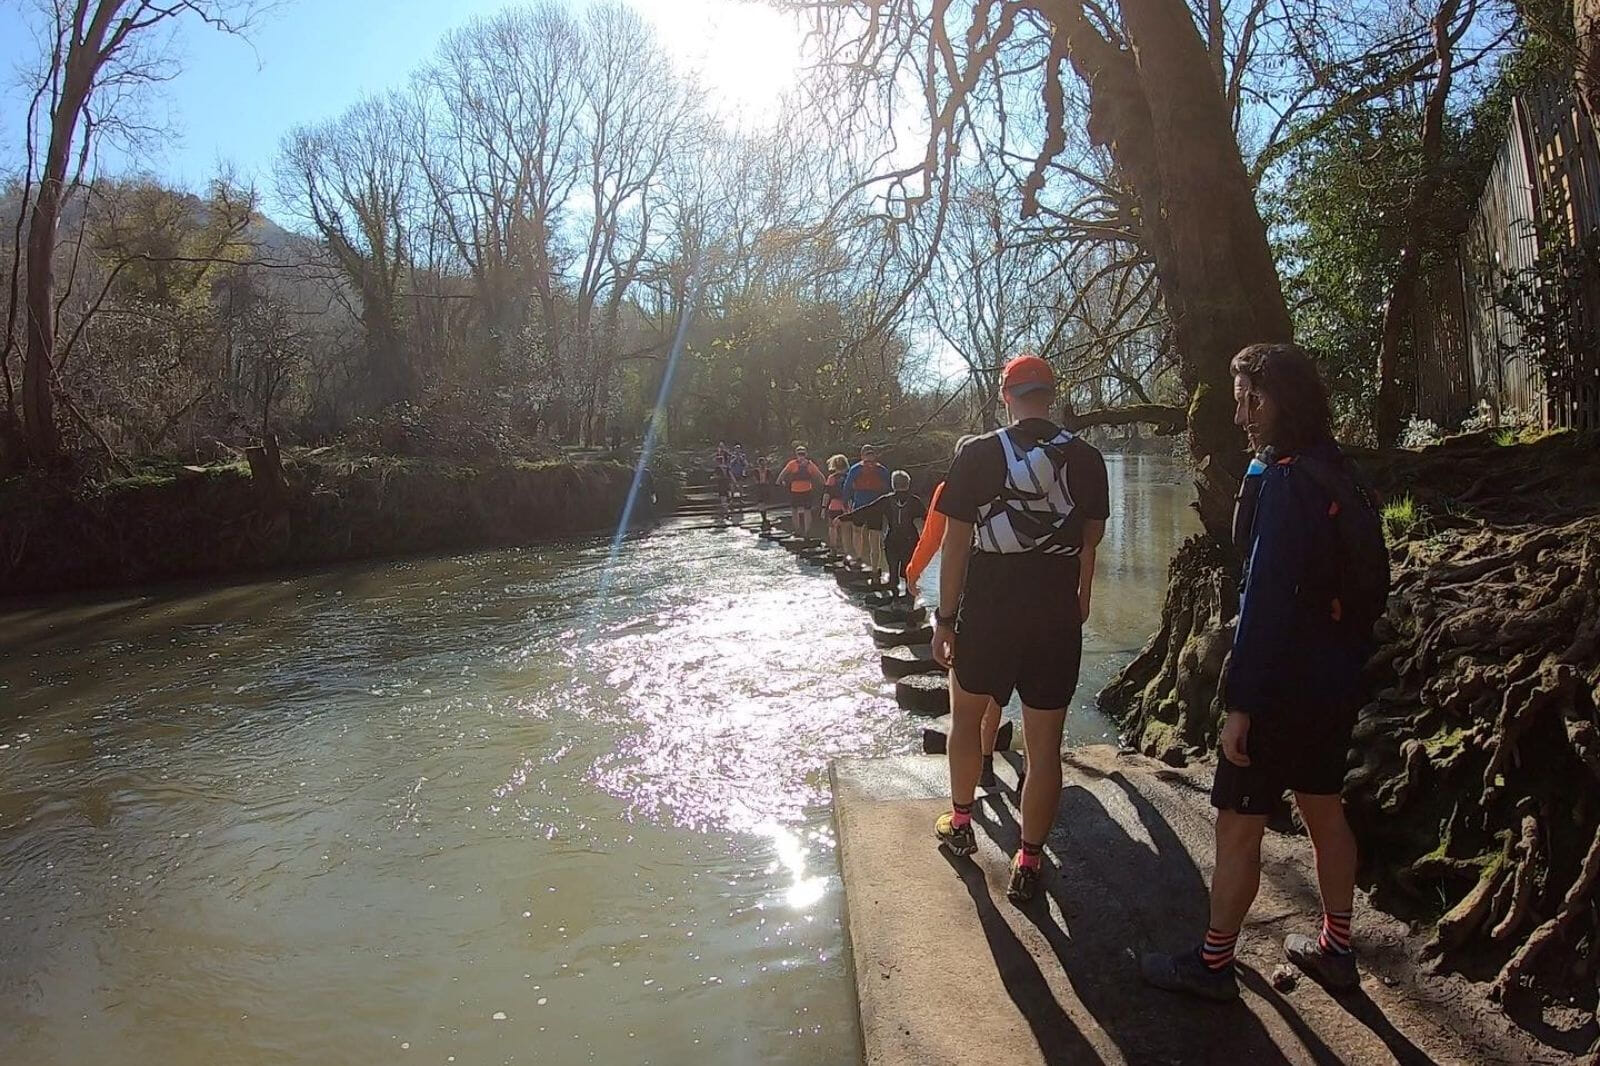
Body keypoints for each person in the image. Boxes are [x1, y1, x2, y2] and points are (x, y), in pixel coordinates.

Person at [1140, 342, 1384, 1001]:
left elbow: (1265, 599)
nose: (1240, 414)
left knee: (1237, 823)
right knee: (1324, 809)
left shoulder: (1284, 483)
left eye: (1250, 399)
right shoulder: (1335, 469)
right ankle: (1337, 948)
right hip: (1333, 678)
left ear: (1278, 401)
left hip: (1279, 685)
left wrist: (1240, 703)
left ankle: (1214, 963)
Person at [930, 353, 1108, 904]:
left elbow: (955, 545)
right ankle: (1029, 859)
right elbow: (1090, 540)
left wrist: (945, 618)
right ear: (1050, 397)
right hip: (1054, 611)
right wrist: (1081, 596)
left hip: (989, 607)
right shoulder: (1087, 457)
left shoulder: (978, 453)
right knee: (1044, 745)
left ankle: (962, 825)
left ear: (1006, 396)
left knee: (965, 721)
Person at [906, 436, 1006, 790]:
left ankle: (969, 776)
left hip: (966, 594)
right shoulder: (1012, 482)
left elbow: (932, 536)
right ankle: (987, 758)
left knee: (965, 685)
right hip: (1007, 592)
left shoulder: (950, 488)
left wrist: (912, 572)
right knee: (998, 683)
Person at [841, 469, 926, 598]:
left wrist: (843, 518)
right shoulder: (915, 501)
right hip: (910, 540)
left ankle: (893, 592)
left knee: (893, 568)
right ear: (908, 484)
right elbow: (927, 517)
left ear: (893, 485)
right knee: (908, 569)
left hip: (892, 540)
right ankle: (909, 596)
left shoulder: (886, 500)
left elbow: (867, 510)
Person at [841, 444, 891, 572]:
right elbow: (889, 488)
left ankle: (859, 557)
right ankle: (875, 568)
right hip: (877, 506)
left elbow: (847, 486)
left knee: (857, 531)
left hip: (860, 504)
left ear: (862, 455)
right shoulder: (882, 470)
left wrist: (846, 502)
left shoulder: (856, 469)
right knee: (875, 535)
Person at [778, 445, 826, 540]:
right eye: (800, 454)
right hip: (800, 490)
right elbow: (820, 477)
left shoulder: (800, 464)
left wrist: (781, 482)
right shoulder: (806, 464)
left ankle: (802, 530)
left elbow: (782, 475)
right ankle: (802, 530)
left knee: (801, 510)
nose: (801, 456)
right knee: (801, 510)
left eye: (802, 454)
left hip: (801, 491)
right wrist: (825, 485)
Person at [821, 454, 850, 552]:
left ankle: (833, 548)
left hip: (834, 506)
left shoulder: (831, 478)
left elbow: (827, 494)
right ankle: (846, 550)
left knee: (832, 527)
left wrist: (823, 508)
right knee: (845, 529)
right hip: (846, 506)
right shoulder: (849, 477)